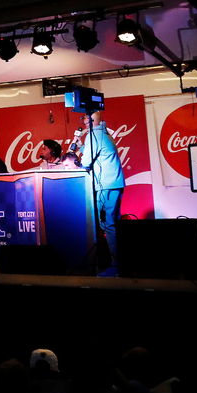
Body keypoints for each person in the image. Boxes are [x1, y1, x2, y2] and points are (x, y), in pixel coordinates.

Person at [75, 112, 125, 274]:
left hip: (105, 185)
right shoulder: (104, 133)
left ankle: (115, 266)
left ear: (91, 120)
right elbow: (99, 153)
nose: (82, 121)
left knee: (107, 224)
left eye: (84, 118)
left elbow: (87, 162)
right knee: (114, 224)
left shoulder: (93, 135)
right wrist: (82, 146)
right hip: (115, 183)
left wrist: (79, 159)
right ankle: (120, 263)